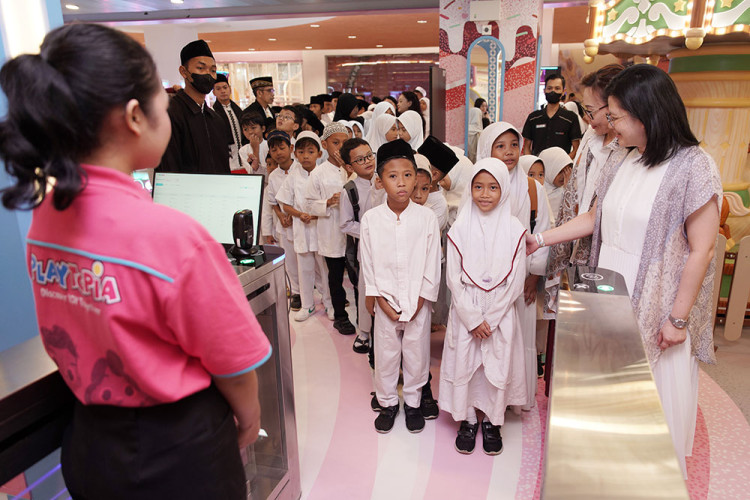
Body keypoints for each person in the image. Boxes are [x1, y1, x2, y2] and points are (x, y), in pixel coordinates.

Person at [0, 23, 270, 499]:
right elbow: (231, 361)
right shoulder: (173, 235)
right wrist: (249, 418)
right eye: (162, 103)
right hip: (179, 451)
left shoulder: (47, 216)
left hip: (91, 443)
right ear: (134, 117)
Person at [529, 65, 722, 478]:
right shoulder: (624, 157)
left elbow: (702, 250)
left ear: (645, 114)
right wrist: (541, 239)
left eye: (615, 116)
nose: (609, 125)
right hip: (611, 290)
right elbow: (595, 217)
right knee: (609, 396)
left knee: (648, 402)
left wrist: (677, 319)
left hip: (656, 301)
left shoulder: (694, 166)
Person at [439, 158, 527, 455]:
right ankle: (468, 419)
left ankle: (491, 419)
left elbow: (516, 281)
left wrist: (493, 316)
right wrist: (473, 318)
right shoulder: (459, 227)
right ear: (470, 189)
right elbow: (453, 278)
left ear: (504, 190)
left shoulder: (515, 229)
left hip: (500, 310)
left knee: (496, 365)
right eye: (478, 187)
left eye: (493, 187)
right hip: (467, 310)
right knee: (466, 363)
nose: (485, 194)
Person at [361, 139, 441, 434]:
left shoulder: (427, 218)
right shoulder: (371, 220)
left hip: (417, 301)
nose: (401, 183)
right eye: (393, 176)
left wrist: (421, 300)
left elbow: (433, 262)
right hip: (386, 302)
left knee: (417, 355)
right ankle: (387, 403)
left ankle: (413, 403)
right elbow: (368, 263)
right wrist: (379, 300)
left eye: (408, 175)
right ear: (380, 181)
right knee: (386, 355)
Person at [477, 122, 550, 412]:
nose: (509, 152)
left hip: (521, 279)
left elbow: (542, 230)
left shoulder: (533, 188)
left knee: (517, 337)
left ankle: (513, 398)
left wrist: (533, 277)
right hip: (484, 280)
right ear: (486, 149)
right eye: (500, 146)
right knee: (488, 337)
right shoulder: (478, 186)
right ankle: (484, 398)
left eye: (513, 145)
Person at [276, 131, 334, 322]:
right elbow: (285, 204)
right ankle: (307, 305)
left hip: (320, 228)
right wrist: (299, 214)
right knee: (304, 270)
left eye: (310, 151)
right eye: (301, 152)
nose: (306, 156)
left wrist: (317, 212)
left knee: (324, 270)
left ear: (319, 153)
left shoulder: (324, 175)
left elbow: (330, 201)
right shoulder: (293, 177)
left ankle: (329, 303)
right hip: (301, 228)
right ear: (295, 154)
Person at [304, 123, 357, 335]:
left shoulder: (354, 170)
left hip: (353, 234)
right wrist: (328, 202)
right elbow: (308, 204)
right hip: (331, 232)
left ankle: (363, 317)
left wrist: (350, 171)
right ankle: (340, 317)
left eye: (345, 143)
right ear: (324, 145)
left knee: (357, 277)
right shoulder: (318, 173)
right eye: (336, 143)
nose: (340, 148)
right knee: (335, 277)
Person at [159, 39, 230, 174]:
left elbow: (223, 167)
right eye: (201, 68)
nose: (208, 74)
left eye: (213, 70)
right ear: (184, 71)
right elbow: (168, 169)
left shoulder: (216, 120)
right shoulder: (170, 114)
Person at [339, 138, 379, 353]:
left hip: (389, 247)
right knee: (365, 290)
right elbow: (345, 223)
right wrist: (369, 230)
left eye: (369, 155)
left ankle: (383, 330)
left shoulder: (385, 178)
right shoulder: (350, 190)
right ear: (349, 166)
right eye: (360, 159)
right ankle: (364, 333)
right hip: (366, 250)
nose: (367, 161)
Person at [262, 130, 301, 310]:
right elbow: (272, 202)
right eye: (274, 149)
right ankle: (297, 292)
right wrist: (280, 215)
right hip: (284, 225)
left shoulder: (300, 169)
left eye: (281, 148)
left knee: (309, 260)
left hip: (301, 221)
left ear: (291, 148)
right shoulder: (273, 176)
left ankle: (318, 289)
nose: (278, 152)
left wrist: (294, 214)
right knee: (290, 260)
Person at [521, 73, 582, 159]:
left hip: (561, 165)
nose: (553, 91)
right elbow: (526, 147)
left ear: (563, 92)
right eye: (549, 88)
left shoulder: (571, 118)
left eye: (557, 88)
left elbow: (576, 149)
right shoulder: (533, 118)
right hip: (538, 165)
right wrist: (532, 164)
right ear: (544, 91)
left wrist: (563, 164)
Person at [212, 73, 248, 173]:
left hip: (244, 157)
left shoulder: (238, 110)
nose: (223, 91)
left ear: (230, 89)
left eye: (225, 87)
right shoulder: (213, 113)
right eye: (218, 89)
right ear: (214, 92)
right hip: (227, 159)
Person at [538, 146, 573, 223]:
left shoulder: (567, 192)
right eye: (560, 171)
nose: (564, 176)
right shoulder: (537, 191)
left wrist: (568, 191)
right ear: (548, 169)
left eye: (566, 172)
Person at [238, 112, 267, 177]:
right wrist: (255, 149)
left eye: (253, 128)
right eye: (245, 129)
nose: (250, 132)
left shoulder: (269, 145)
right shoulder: (243, 150)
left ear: (263, 129)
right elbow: (252, 173)